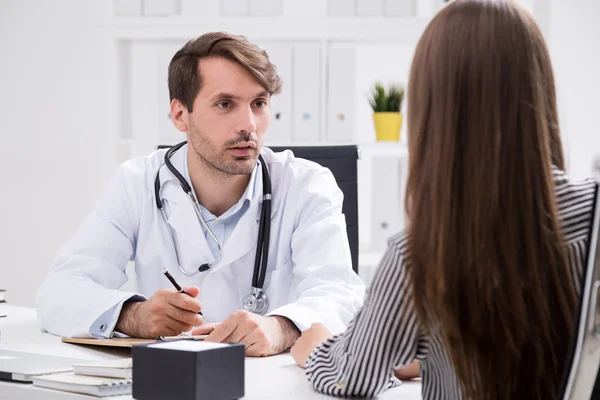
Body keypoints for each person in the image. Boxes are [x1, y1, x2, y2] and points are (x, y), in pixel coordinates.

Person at [290, 0, 597, 398]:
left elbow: (354, 376)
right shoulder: (594, 209)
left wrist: (317, 347)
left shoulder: (421, 253)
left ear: (433, 109)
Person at [36, 32, 365, 357]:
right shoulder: (135, 183)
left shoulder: (306, 185)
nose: (248, 124)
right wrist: (133, 316)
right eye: (225, 104)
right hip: (172, 380)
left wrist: (281, 327)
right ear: (180, 115)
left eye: (259, 103)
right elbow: (60, 292)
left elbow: (339, 295)